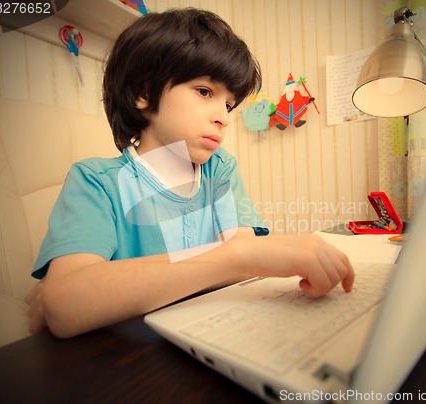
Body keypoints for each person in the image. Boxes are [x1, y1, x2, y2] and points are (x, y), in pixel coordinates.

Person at [25, 8, 354, 339]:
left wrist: (241, 257)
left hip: (213, 337)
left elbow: (243, 264)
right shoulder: (96, 181)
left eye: (228, 104)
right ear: (143, 92)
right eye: (205, 92)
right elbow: (65, 304)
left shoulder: (219, 169)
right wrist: (238, 257)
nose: (223, 117)